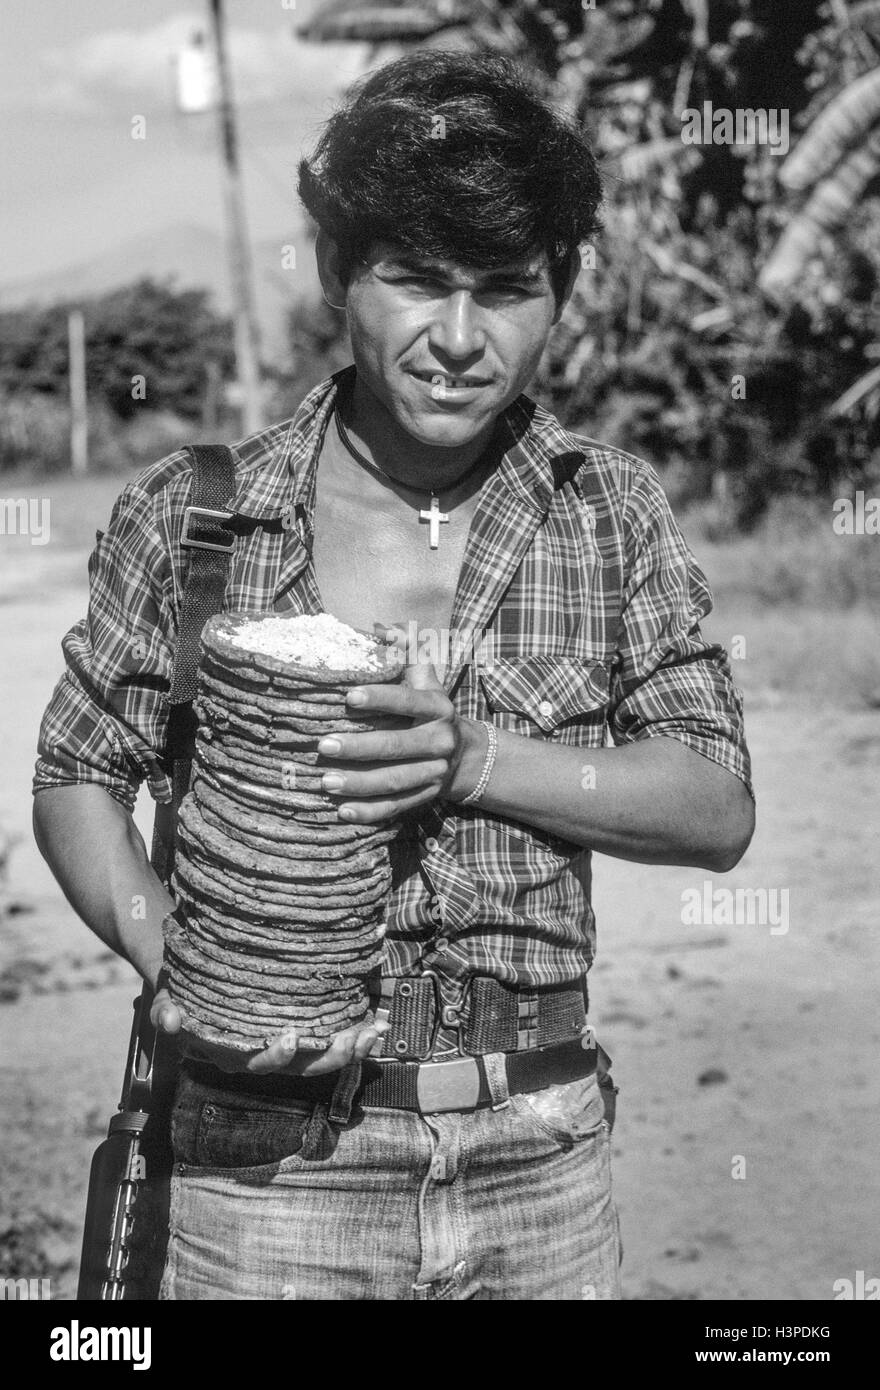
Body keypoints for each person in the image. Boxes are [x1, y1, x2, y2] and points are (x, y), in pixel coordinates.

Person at [32, 51, 754, 1301]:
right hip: (262, 1167)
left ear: (561, 292)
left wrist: (477, 759)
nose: (458, 341)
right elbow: (75, 772)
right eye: (417, 281)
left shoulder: (611, 510)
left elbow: (716, 805)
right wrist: (180, 964)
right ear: (336, 277)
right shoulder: (199, 516)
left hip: (538, 1147)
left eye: (505, 291)